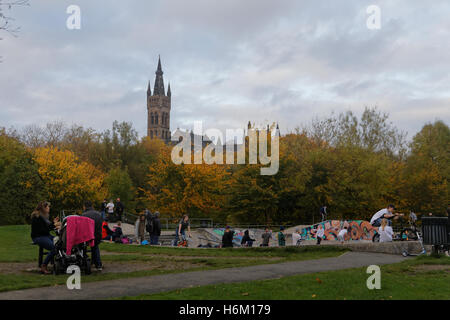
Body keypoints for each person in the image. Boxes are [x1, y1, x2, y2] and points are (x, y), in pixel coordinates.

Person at [31, 201, 60, 274]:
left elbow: (48, 227)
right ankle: (44, 265)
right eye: (48, 206)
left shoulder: (45, 216)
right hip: (38, 237)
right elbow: (42, 230)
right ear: (43, 208)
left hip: (46, 235)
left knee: (60, 243)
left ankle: (60, 263)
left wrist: (53, 223)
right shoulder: (37, 216)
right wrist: (54, 225)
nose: (49, 208)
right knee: (54, 247)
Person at [82, 201, 104, 271]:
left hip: (87, 236)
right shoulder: (99, 214)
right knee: (95, 247)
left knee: (83, 247)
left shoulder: (83, 215)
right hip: (97, 236)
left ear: (85, 206)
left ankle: (85, 261)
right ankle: (98, 265)